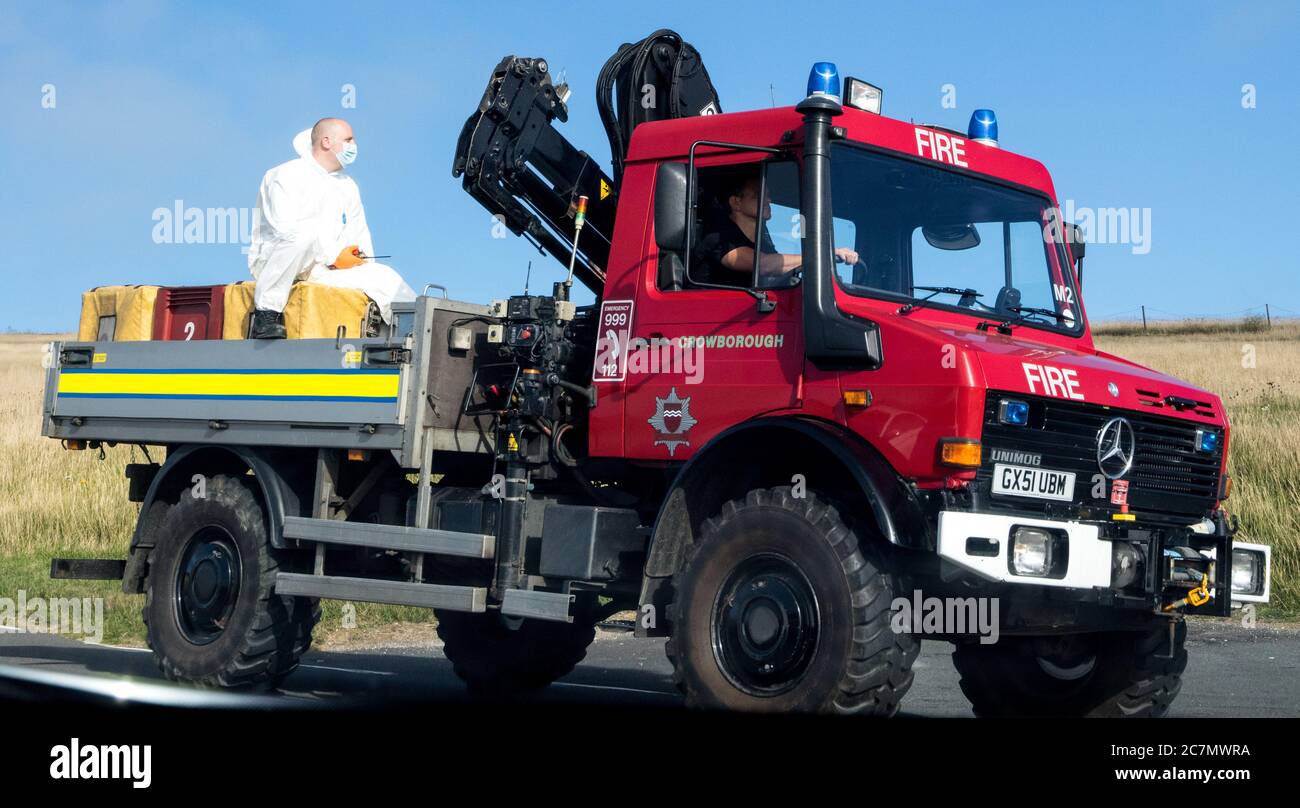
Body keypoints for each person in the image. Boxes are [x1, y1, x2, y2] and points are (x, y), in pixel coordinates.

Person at [246, 118, 416, 339]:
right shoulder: (285, 174)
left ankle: (414, 334)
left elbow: (359, 233)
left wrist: (360, 260)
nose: (354, 145)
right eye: (348, 139)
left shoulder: (347, 186)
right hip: (280, 261)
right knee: (301, 236)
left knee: (386, 277)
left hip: (324, 268)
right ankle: (267, 313)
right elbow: (285, 231)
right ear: (326, 142)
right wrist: (333, 256)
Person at [692, 168, 858, 288]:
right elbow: (764, 265)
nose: (768, 200)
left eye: (768, 195)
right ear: (736, 202)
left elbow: (780, 269)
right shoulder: (718, 238)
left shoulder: (763, 243)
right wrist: (824, 255)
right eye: (759, 195)